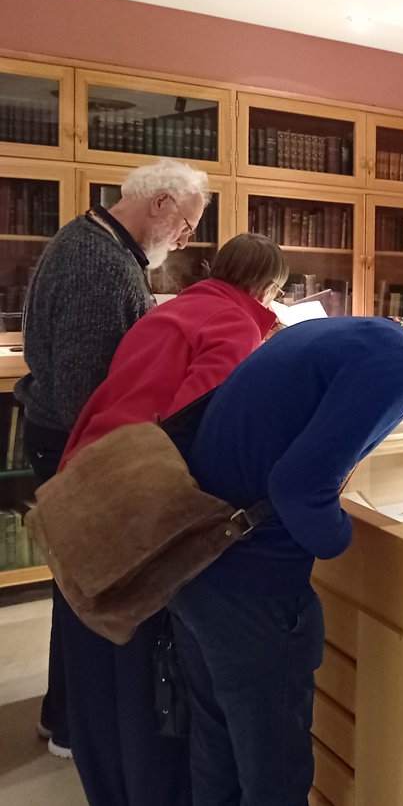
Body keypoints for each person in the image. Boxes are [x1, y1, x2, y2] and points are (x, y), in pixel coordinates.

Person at [168, 282, 403, 806]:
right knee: (275, 770)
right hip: (253, 586)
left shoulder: (357, 332)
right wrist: (345, 541)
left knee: (217, 747)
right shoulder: (399, 367)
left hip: (198, 561)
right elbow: (299, 485)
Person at [49, 233, 286, 805]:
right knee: (141, 668)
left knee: (95, 658)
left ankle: (106, 786)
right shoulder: (235, 326)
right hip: (137, 502)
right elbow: (201, 425)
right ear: (269, 286)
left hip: (85, 480)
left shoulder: (176, 308)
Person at [15, 158, 209, 760]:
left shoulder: (91, 240)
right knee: (93, 593)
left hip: (60, 437)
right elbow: (85, 388)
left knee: (74, 588)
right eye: (186, 225)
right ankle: (80, 728)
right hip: (80, 448)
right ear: (160, 204)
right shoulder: (99, 263)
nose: (184, 240)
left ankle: (62, 716)